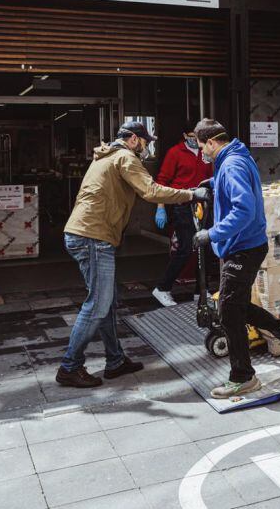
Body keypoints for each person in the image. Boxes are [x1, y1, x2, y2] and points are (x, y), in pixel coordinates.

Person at [57, 121, 206, 389]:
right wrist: (192, 193)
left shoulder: (108, 155)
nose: (147, 147)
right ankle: (70, 366)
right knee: (98, 304)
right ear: (135, 139)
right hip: (94, 236)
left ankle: (115, 361)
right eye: (146, 142)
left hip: (89, 233)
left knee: (108, 301)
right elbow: (150, 190)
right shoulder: (125, 156)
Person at [192, 118, 280, 398]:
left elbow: (243, 210)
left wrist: (212, 234)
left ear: (211, 142)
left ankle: (243, 376)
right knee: (238, 305)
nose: (201, 154)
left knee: (228, 312)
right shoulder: (234, 158)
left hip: (243, 247)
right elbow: (237, 189)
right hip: (246, 245)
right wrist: (214, 184)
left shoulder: (231, 165)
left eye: (201, 148)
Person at [152, 122, 212, 307]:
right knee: (185, 248)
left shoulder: (206, 153)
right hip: (182, 206)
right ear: (185, 136)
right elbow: (161, 181)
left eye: (198, 136)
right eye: (192, 136)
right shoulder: (175, 152)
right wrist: (160, 207)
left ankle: (201, 291)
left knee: (206, 248)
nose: (195, 140)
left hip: (203, 205)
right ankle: (162, 288)